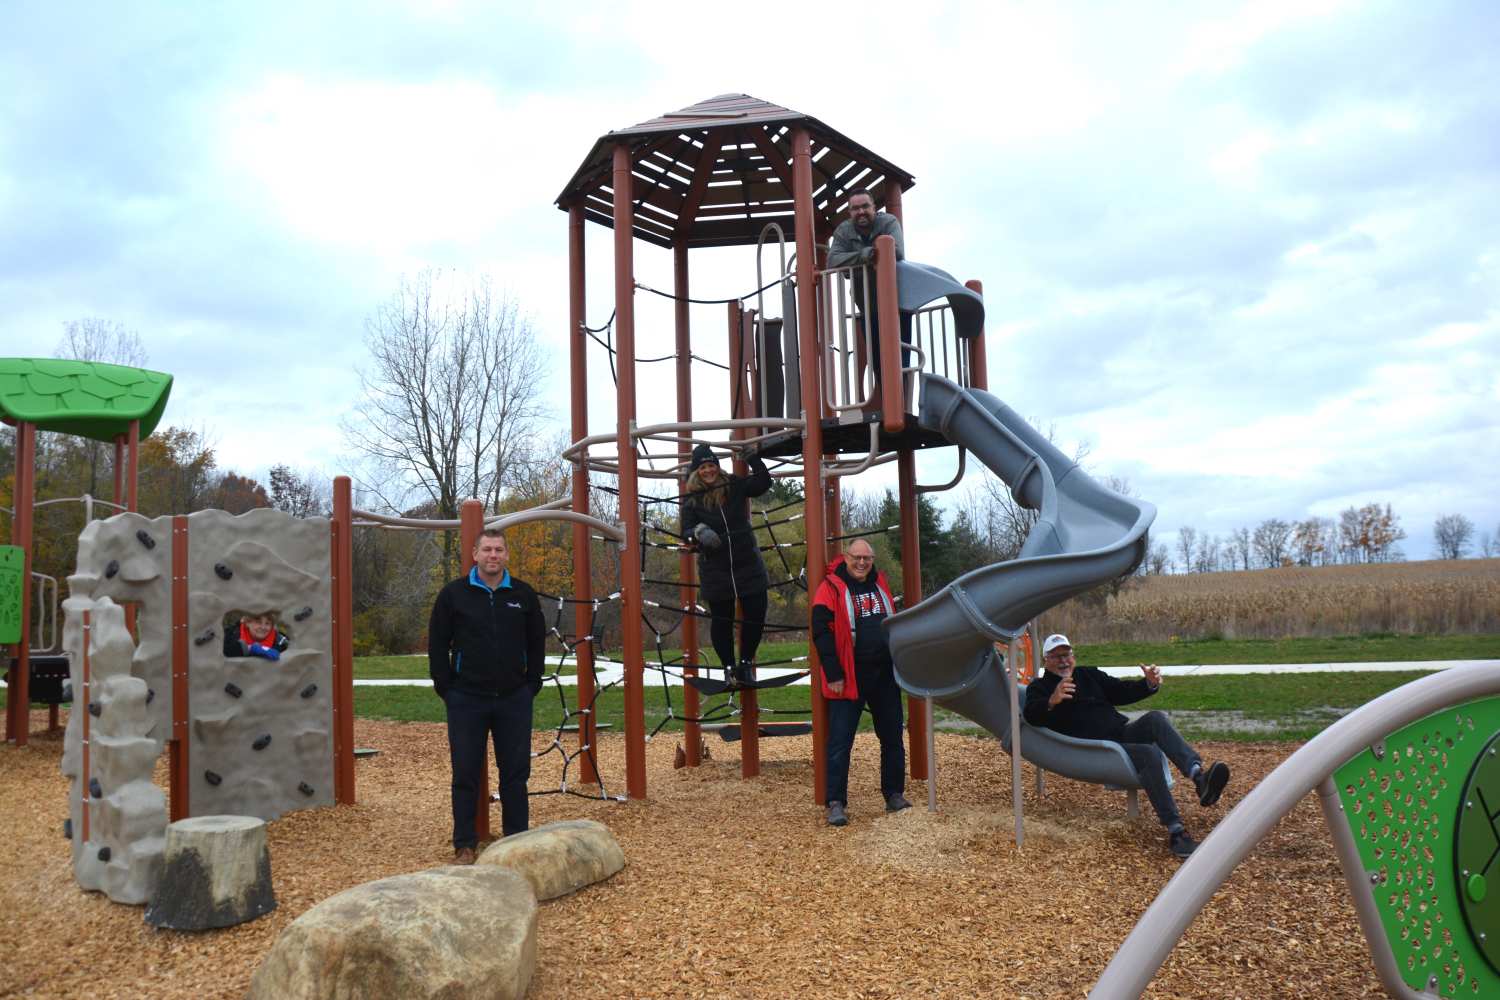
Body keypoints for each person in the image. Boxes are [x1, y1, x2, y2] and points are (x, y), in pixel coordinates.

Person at [1022, 634, 1230, 859]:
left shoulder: (1089, 674)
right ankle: (1176, 831)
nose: (1063, 661)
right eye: (1056, 656)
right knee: (1148, 754)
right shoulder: (1040, 688)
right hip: (1096, 748)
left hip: (1121, 732)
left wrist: (1148, 683)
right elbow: (1032, 716)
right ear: (1046, 660)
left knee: (1155, 719)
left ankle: (1199, 777)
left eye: (1067, 654)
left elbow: (1121, 691)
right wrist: (1052, 701)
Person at [428, 528, 546, 864]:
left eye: (499, 550)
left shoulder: (521, 594)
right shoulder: (454, 595)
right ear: (475, 555)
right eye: (487, 550)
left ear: (507, 555)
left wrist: (531, 683)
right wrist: (446, 686)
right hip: (466, 697)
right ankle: (465, 844)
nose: (493, 555)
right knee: (465, 771)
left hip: (513, 697)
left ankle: (516, 840)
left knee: (515, 773)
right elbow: (438, 642)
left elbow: (536, 641)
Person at [811, 538, 911, 827]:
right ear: (846, 557)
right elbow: (821, 633)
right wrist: (834, 674)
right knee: (841, 741)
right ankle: (835, 802)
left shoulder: (880, 583)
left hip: (884, 674)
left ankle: (894, 793)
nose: (862, 563)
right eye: (857, 558)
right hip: (849, 675)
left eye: (867, 558)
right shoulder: (830, 588)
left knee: (892, 737)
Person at [680, 443, 771, 687]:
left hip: (747, 563)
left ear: (718, 467)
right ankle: (728, 668)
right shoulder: (692, 498)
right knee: (722, 620)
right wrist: (698, 531)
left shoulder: (733, 485)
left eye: (711, 465)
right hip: (716, 568)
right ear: (696, 471)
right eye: (703, 467)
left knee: (756, 614)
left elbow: (763, 484)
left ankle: (744, 666)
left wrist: (753, 459)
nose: (708, 471)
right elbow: (685, 530)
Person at [826, 190, 912, 389]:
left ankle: (901, 404)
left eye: (865, 206)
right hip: (868, 306)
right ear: (849, 212)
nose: (861, 212)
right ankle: (888, 402)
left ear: (874, 207)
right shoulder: (843, 231)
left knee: (901, 360)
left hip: (898, 305)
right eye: (855, 208)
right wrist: (867, 255)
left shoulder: (888, 223)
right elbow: (833, 260)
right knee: (878, 361)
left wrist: (869, 256)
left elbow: (896, 252)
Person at [222, 611, 289, 660]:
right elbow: (225, 650)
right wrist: (249, 648)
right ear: (248, 623)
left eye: (267, 623)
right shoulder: (231, 634)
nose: (263, 627)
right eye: (258, 622)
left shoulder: (279, 640)